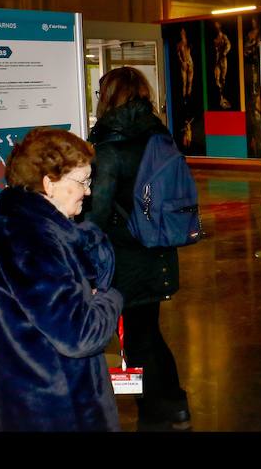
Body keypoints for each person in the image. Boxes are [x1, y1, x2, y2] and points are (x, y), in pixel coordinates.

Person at [0, 127, 124, 431]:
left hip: (20, 402)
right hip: (58, 410)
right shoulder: (31, 241)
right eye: (82, 181)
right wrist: (110, 298)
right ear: (49, 184)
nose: (89, 191)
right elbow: (80, 335)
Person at [86, 67, 191, 432]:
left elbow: (96, 213)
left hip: (123, 259)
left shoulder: (108, 147)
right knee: (148, 333)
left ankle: (151, 414)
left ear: (110, 96)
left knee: (135, 341)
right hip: (159, 250)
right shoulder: (159, 135)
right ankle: (176, 404)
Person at [213, 20, 232, 109]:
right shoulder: (215, 38)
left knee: (223, 78)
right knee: (217, 78)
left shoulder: (224, 36)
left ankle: (224, 98)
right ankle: (220, 98)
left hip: (223, 59)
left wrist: (225, 52)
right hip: (217, 60)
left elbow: (228, 45)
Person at [176, 28, 194, 100]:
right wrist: (182, 62)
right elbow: (178, 55)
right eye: (181, 32)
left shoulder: (188, 42)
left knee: (190, 82)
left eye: (183, 32)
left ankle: (189, 96)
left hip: (190, 61)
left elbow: (190, 52)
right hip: (183, 62)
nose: (182, 33)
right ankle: (184, 98)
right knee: (184, 82)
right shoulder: (179, 44)